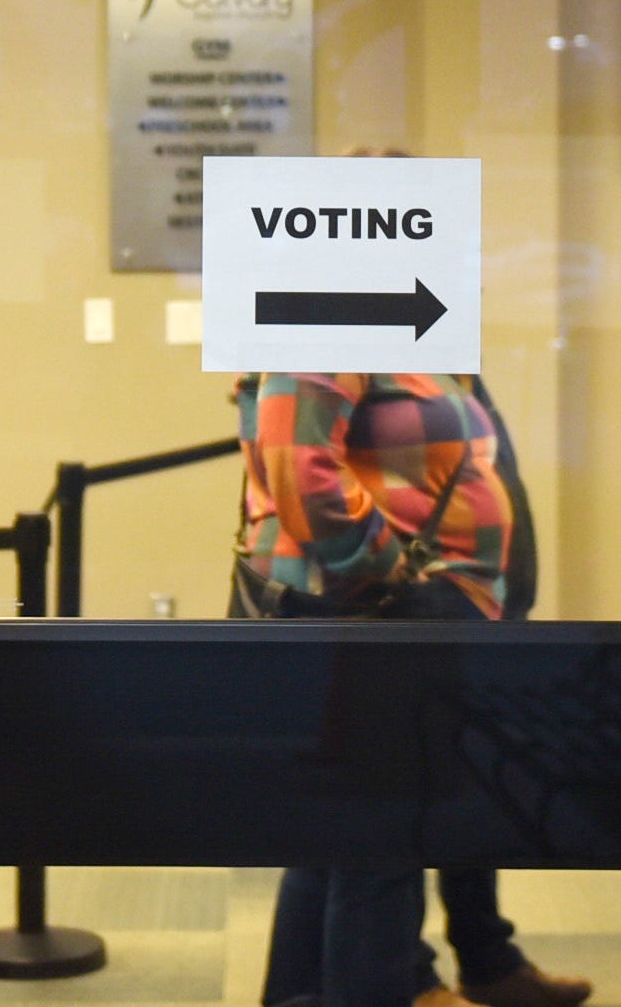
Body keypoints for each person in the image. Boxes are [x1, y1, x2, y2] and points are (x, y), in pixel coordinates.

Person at [239, 370, 520, 1007]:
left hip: (394, 608)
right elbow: (299, 466)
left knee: (342, 840)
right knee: (382, 843)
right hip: (377, 608)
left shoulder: (395, 327)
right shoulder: (341, 303)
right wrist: (387, 566)